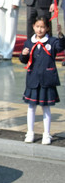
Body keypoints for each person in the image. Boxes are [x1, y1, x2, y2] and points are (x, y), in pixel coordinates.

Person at [19, 16, 63, 145]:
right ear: (33, 27)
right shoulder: (29, 42)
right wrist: (23, 54)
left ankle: (47, 134)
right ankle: (30, 132)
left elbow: (60, 47)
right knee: (31, 107)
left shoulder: (52, 41)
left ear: (47, 28)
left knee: (46, 108)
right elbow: (24, 60)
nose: (40, 29)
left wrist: (61, 35)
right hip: (33, 79)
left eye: (43, 27)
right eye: (37, 26)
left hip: (47, 79)